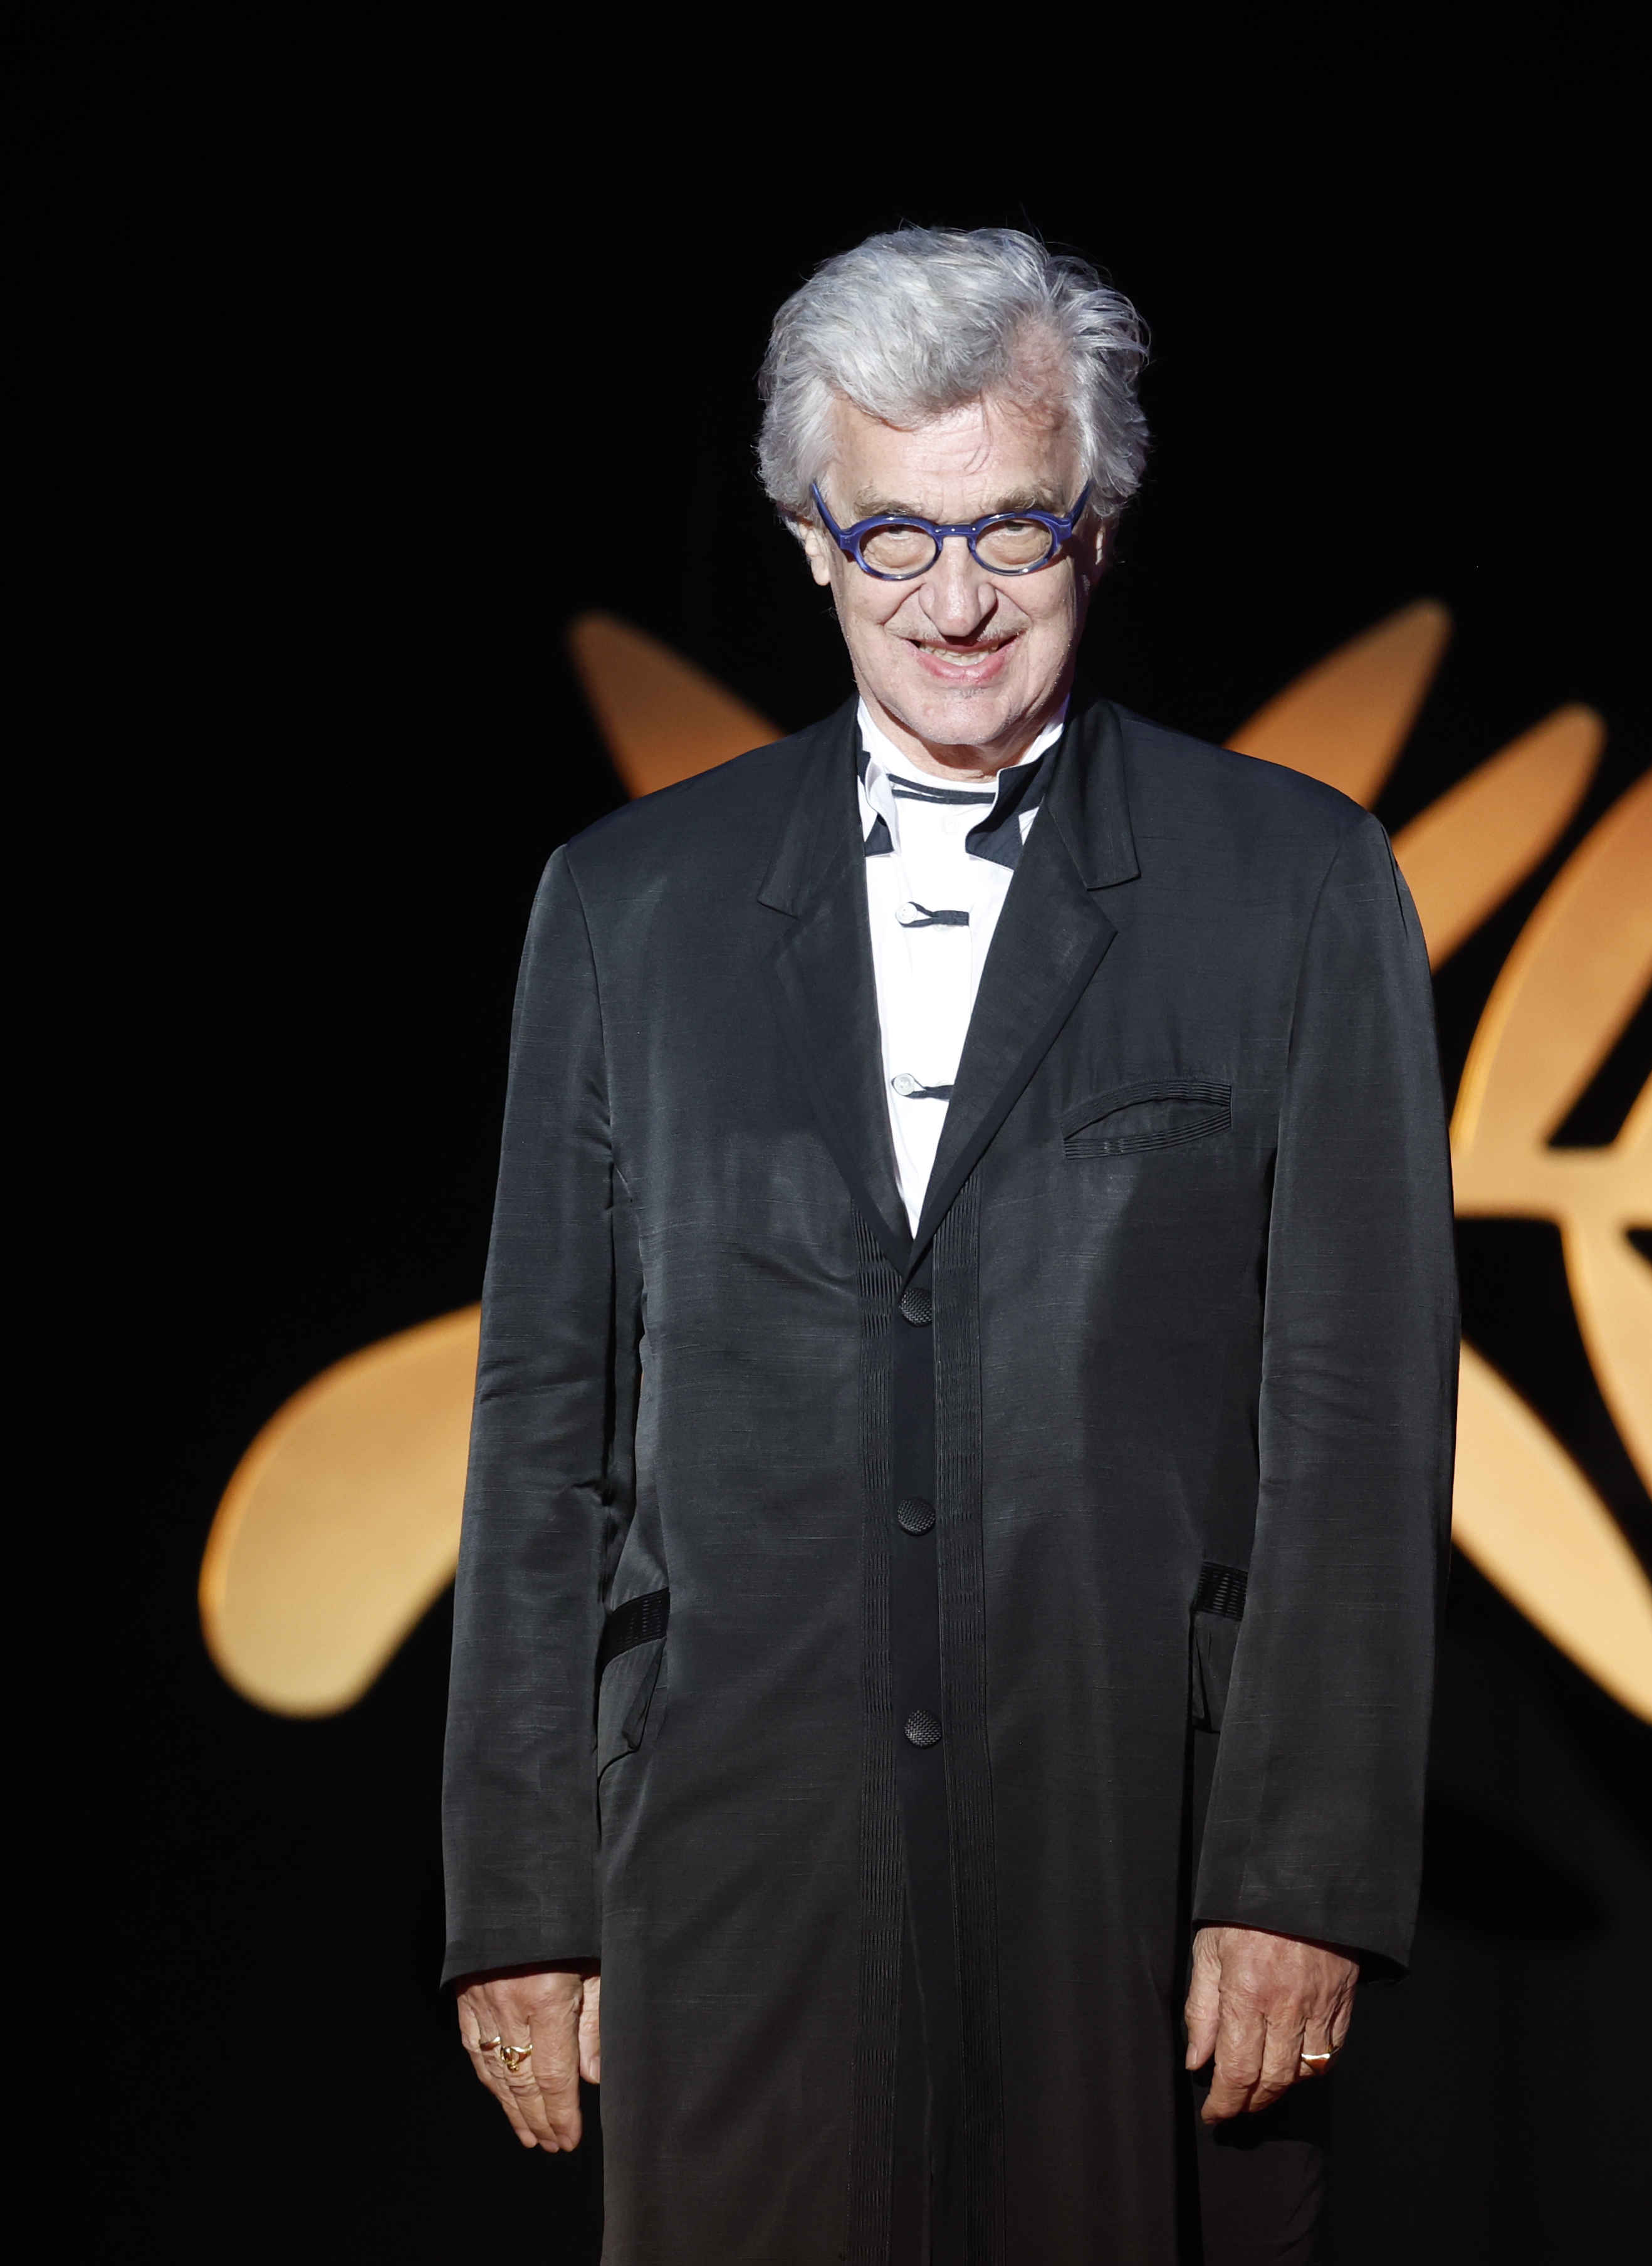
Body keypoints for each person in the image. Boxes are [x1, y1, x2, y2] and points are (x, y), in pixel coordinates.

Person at [439, 226, 1457, 2265]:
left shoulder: (1293, 882)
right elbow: (547, 1411)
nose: (958, 599)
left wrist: (1302, 1876)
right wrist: (524, 1902)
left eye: (1016, 528)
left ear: (1102, 521)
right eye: (891, 538)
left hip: (1134, 1843)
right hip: (727, 1853)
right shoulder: (630, 903)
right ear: (808, 542)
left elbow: (1358, 1408)